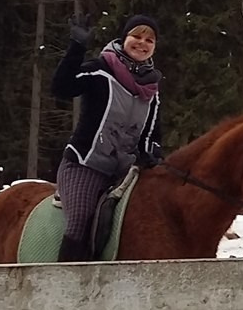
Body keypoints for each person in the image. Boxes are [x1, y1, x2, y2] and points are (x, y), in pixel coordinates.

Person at [50, 13, 167, 262]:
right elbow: (61, 88)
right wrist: (77, 47)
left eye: (150, 39)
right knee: (80, 219)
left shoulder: (152, 91)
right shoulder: (100, 71)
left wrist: (153, 154)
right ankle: (65, 280)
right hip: (85, 165)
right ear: (124, 38)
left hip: (124, 171)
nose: (142, 43)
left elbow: (150, 135)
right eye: (136, 36)